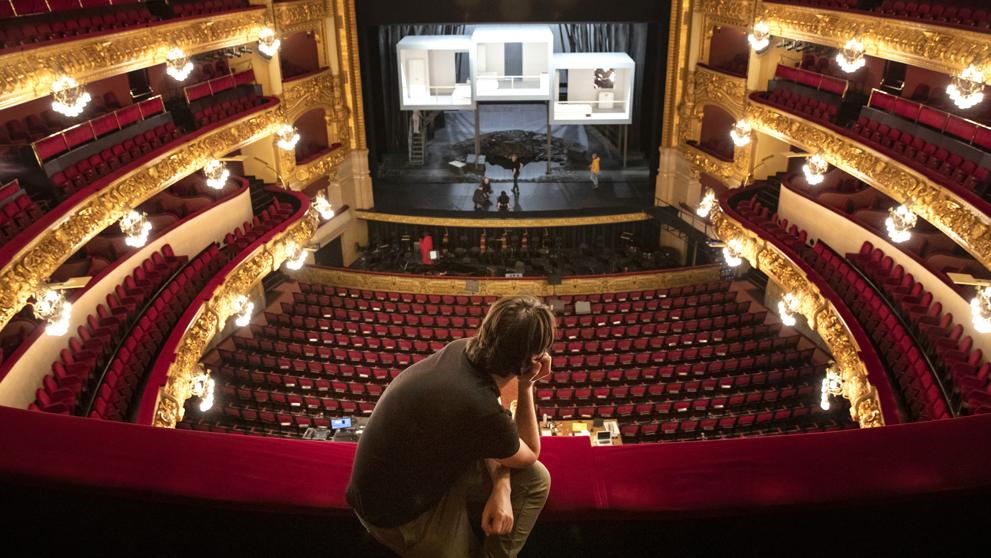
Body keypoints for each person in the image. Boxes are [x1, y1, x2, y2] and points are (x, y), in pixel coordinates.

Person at [347, 296, 555, 558]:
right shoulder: (478, 406)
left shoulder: (462, 349)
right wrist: (527, 384)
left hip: (417, 477)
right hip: (396, 513)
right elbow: (530, 452)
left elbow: (489, 436)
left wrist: (503, 485)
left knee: (536, 479)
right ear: (529, 360)